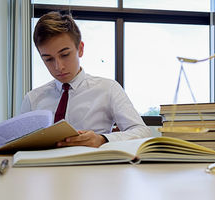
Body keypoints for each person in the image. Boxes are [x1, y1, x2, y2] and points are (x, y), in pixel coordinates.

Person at [21, 11, 152, 147]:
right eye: (48, 59)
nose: (58, 67)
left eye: (65, 54)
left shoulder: (108, 89)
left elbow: (143, 132)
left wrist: (102, 139)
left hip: (92, 166)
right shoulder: (32, 99)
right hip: (41, 167)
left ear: (80, 49)